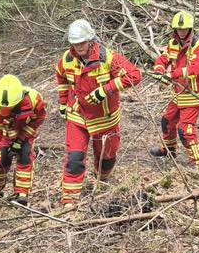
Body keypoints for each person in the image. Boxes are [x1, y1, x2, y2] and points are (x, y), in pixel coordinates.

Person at [54, 18, 142, 207]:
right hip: (78, 117)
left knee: (106, 159)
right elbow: (61, 77)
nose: (78, 47)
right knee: (74, 158)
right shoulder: (66, 61)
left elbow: (134, 75)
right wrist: (63, 103)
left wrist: (105, 90)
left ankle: (101, 183)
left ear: (91, 40)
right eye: (75, 43)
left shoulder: (108, 58)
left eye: (82, 43)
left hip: (106, 120)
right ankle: (69, 201)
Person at [149, 11, 199, 166]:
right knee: (167, 121)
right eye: (179, 29)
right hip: (178, 93)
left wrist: (172, 73)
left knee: (185, 130)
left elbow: (195, 70)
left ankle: (197, 161)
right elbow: (164, 58)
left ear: (190, 29)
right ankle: (168, 150)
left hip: (193, 95)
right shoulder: (173, 44)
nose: (181, 32)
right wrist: (159, 69)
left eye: (184, 29)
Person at [0, 74, 47, 202]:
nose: (5, 110)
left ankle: (22, 193)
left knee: (25, 157)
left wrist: (21, 138)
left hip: (25, 133)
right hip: (5, 135)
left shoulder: (34, 99)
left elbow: (38, 119)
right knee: (2, 160)